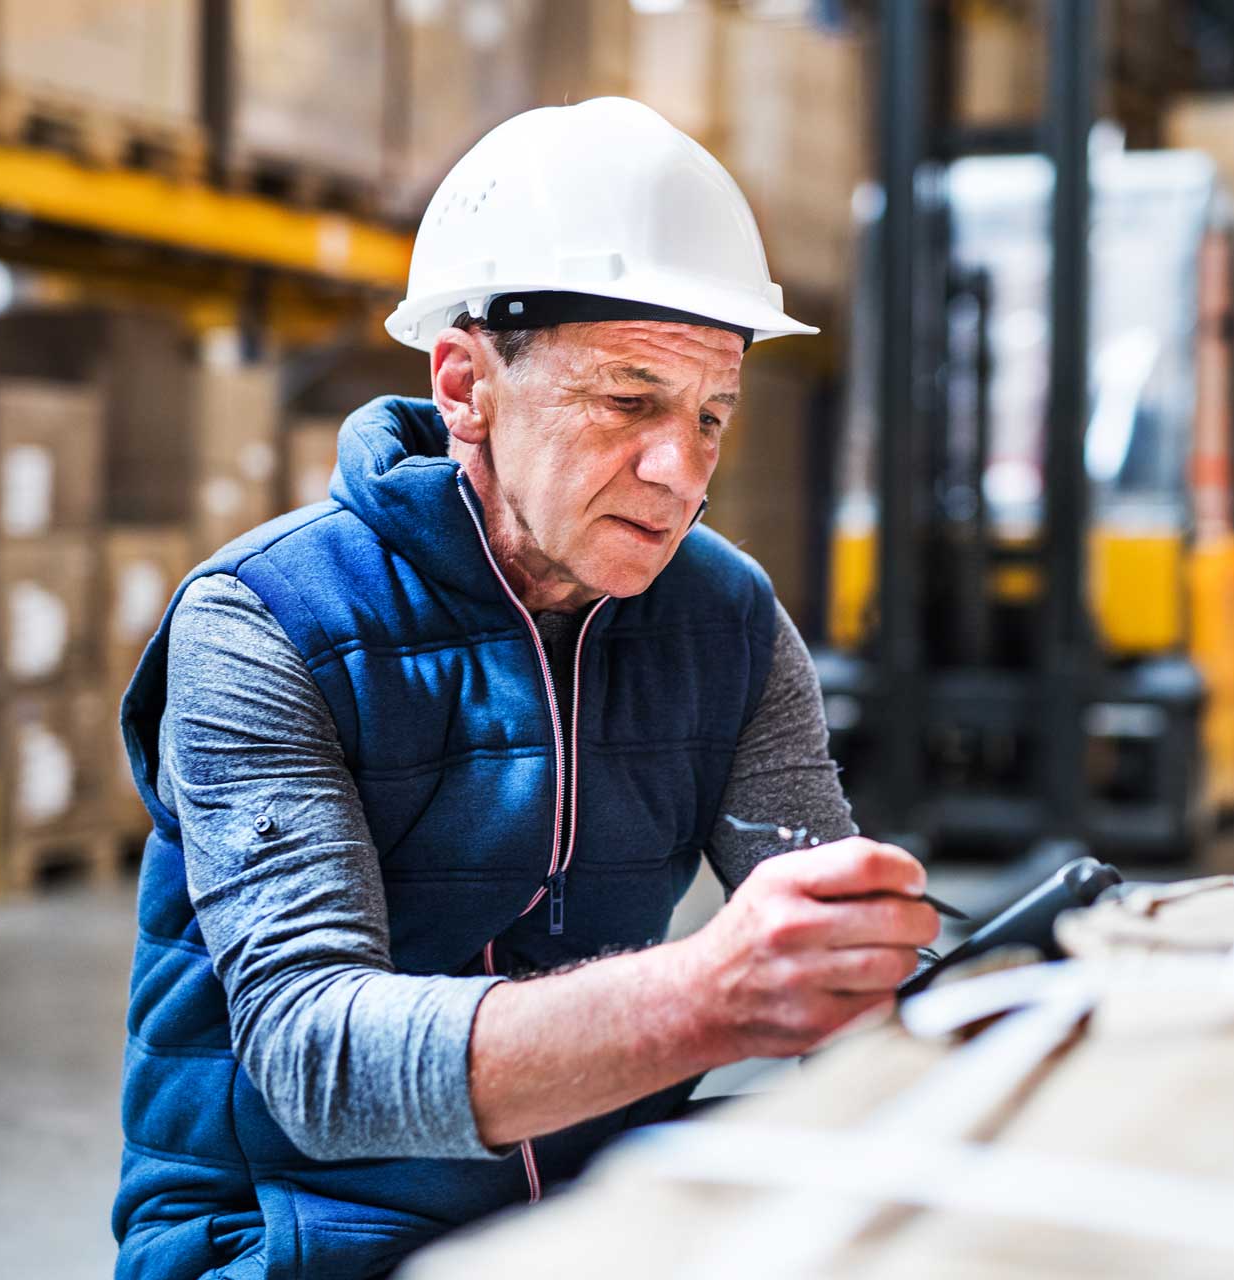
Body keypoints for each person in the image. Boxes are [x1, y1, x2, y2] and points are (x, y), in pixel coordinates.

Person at [110, 98, 938, 1280]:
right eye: (629, 399)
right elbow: (318, 1061)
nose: (682, 470)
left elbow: (828, 948)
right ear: (465, 384)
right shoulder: (268, 621)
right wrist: (707, 992)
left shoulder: (728, 620)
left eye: (714, 416)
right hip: (294, 1226)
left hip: (598, 1206)